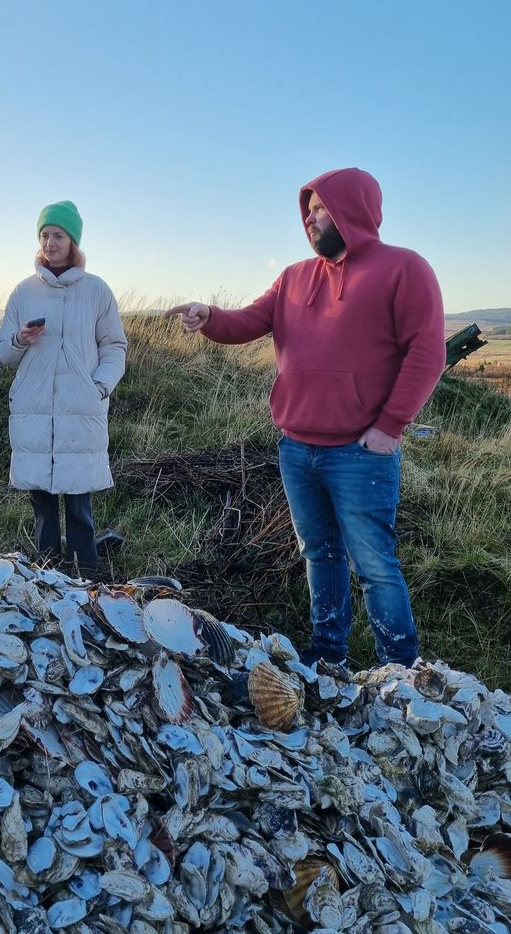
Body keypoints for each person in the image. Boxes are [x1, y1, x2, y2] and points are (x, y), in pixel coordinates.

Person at [167, 168, 445, 667]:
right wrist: (209, 315)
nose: (311, 220)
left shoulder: (405, 269)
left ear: (353, 211)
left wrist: (390, 427)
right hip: (296, 447)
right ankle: (329, 656)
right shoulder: (295, 276)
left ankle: (401, 675)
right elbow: (247, 322)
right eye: (309, 210)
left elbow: (427, 353)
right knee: (319, 555)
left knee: (375, 567)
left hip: (360, 452)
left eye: (321, 209)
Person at [0, 200, 127, 578]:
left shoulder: (96, 290)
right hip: (33, 408)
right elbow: (4, 353)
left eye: (58, 235)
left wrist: (100, 385)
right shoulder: (23, 292)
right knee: (41, 501)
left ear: (73, 241)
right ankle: (49, 576)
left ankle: (87, 576)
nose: (50, 242)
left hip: (80, 407)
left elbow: (114, 346)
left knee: (78, 502)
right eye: (44, 235)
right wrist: (20, 338)